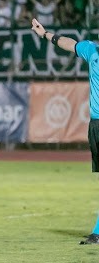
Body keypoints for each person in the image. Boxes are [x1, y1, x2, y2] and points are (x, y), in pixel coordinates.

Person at [31, 18, 99, 245]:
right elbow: (69, 44)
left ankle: (98, 232)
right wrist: (45, 34)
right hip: (96, 126)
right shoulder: (92, 50)